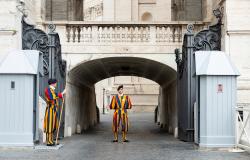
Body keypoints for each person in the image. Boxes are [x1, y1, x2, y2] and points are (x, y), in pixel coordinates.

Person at [43, 78, 66, 146]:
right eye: (55, 83)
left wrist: (62, 95)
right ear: (53, 83)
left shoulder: (52, 90)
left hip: (54, 110)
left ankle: (51, 140)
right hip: (50, 110)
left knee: (53, 125)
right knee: (49, 125)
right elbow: (51, 97)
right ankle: (48, 141)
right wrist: (61, 94)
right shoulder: (48, 90)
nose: (56, 84)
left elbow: (57, 95)